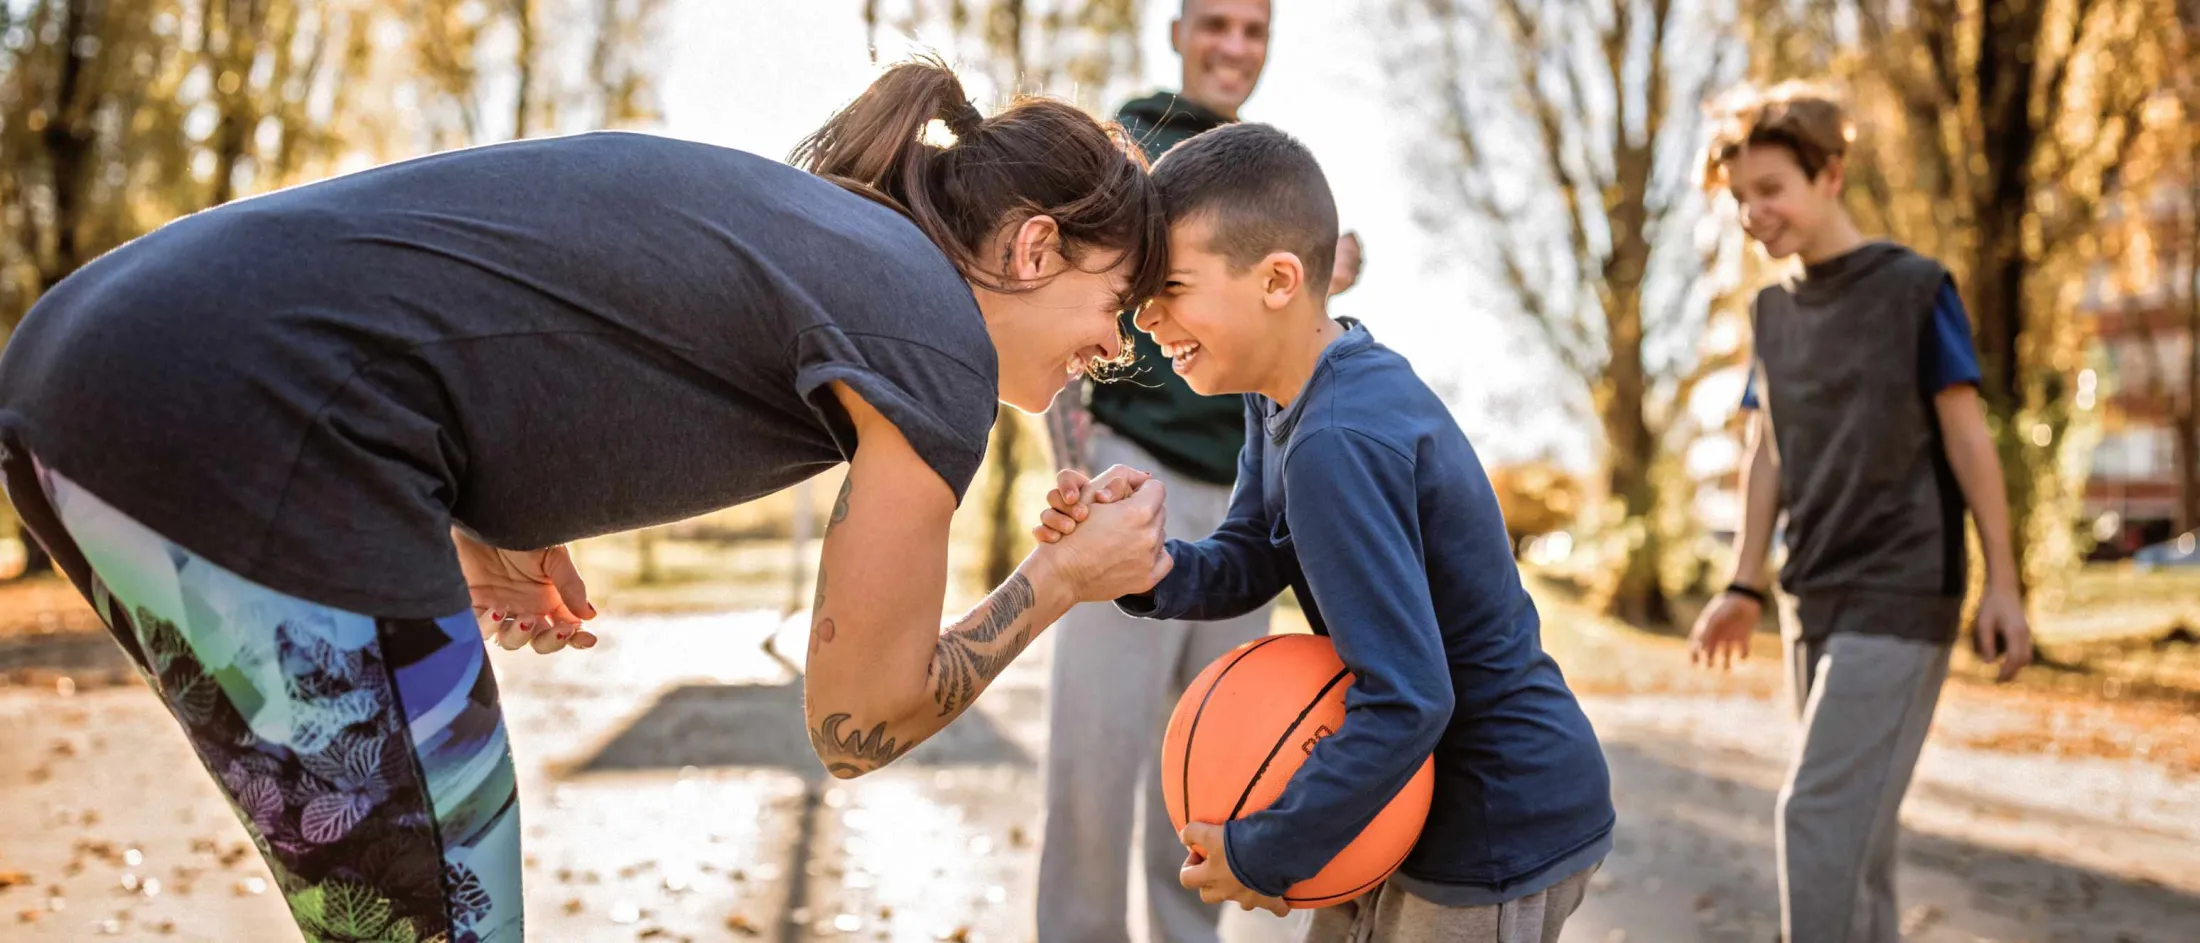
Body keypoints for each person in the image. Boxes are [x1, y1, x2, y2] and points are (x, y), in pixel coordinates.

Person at [0, 60, 1175, 943]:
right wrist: (1064, 577)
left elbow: (501, 289)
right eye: (1115, 300)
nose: (1110, 344)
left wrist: (485, 505)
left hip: (100, 362)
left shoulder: (841, 251)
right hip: (252, 408)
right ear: (1031, 247)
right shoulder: (929, 333)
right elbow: (852, 721)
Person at [1038, 123, 1613, 943]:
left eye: (1171, 286)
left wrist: (1263, 851)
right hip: (1403, 802)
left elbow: (1409, 698)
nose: (1147, 318)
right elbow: (1251, 552)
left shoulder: (1337, 440)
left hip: (1493, 823)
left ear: (1278, 280)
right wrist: (1144, 564)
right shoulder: (1285, 393)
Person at [1037, 3, 1360, 941]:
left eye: (1254, 31)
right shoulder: (1129, 145)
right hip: (1132, 473)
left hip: (1245, 499)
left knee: (1210, 764)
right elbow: (1064, 299)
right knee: (1097, 753)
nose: (1233, 47)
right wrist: (1077, 461)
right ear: (1176, 29)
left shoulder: (1269, 169)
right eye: (1215, 23)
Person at [1689, 82, 2034, 943]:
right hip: (1816, 597)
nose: (1754, 215)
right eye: (1740, 200)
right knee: (1858, 843)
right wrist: (1744, 583)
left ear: (1831, 173)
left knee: (1815, 816)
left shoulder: (1914, 288)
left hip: (1905, 586)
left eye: (1770, 189)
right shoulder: (1770, 314)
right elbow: (1766, 451)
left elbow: (1966, 435)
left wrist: (2005, 582)